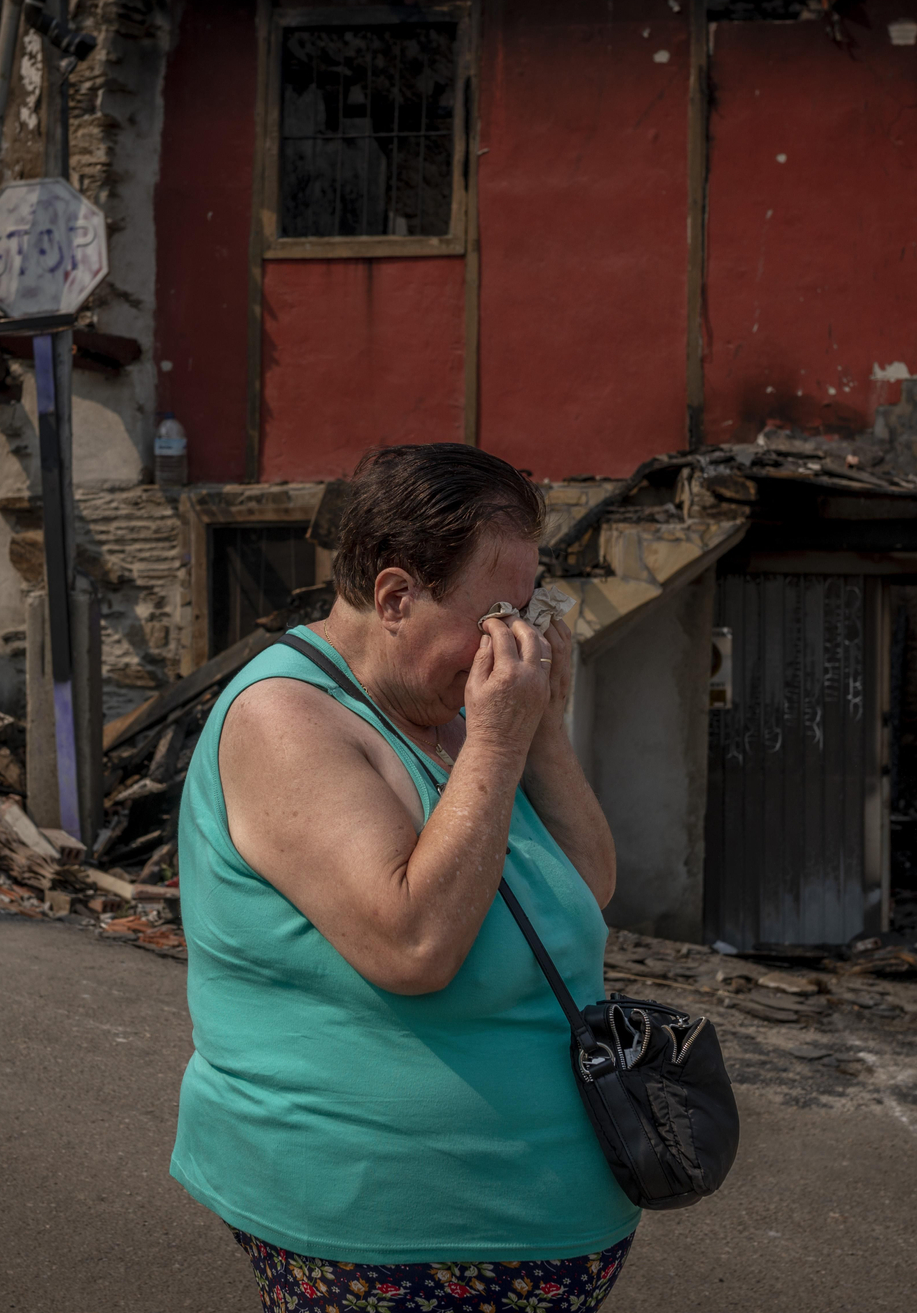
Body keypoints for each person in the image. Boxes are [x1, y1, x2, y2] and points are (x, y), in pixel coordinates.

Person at [170, 443, 640, 1311]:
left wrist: (543, 734)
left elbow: (589, 885)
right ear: (395, 597)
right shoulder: (285, 718)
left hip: (537, 1218)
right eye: (496, 612)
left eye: (529, 610)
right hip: (386, 1235)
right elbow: (413, 943)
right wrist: (499, 740)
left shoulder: (449, 712)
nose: (517, 640)